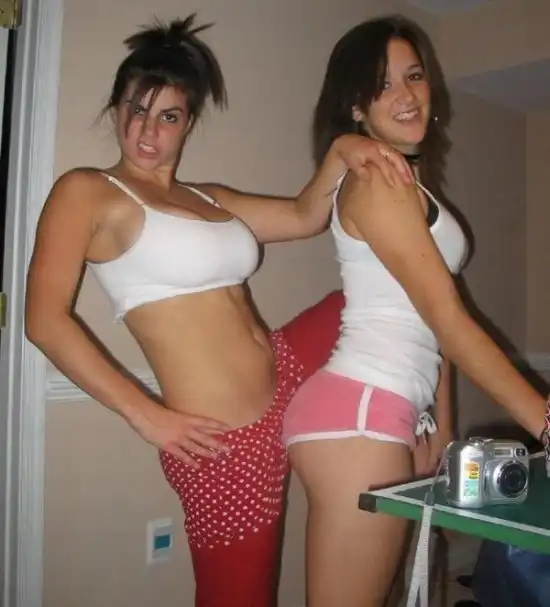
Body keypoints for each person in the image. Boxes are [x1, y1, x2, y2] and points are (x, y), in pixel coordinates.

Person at [24, 15, 415, 607]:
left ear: (188, 124)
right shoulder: (88, 192)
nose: (147, 129)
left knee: (378, 297)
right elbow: (44, 320)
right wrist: (147, 416)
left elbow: (305, 215)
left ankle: (424, 423)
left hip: (283, 372)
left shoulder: (208, 198)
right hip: (224, 445)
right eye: (136, 108)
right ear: (115, 109)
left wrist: (342, 149)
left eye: (168, 116)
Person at [283, 15, 550, 607]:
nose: (406, 95)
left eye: (414, 75)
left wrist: (442, 428)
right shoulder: (377, 182)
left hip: (388, 409)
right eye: (383, 84)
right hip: (359, 413)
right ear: (356, 106)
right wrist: (546, 421)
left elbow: (434, 317)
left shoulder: (408, 181)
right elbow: (446, 315)